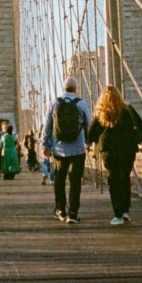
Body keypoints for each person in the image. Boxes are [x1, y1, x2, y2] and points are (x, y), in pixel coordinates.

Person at [87, 85, 142, 226]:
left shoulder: (101, 111)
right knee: (125, 178)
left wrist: (90, 144)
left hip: (109, 151)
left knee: (114, 181)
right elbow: (141, 127)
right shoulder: (128, 109)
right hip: (128, 150)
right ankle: (125, 211)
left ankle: (118, 214)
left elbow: (90, 133)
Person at [42, 76, 92, 224]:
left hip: (59, 150)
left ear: (63, 88)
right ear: (76, 89)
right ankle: (73, 213)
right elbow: (89, 125)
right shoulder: (81, 103)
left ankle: (60, 210)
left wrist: (45, 145)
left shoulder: (54, 103)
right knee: (75, 181)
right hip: (78, 150)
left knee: (59, 181)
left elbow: (47, 126)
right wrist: (89, 143)